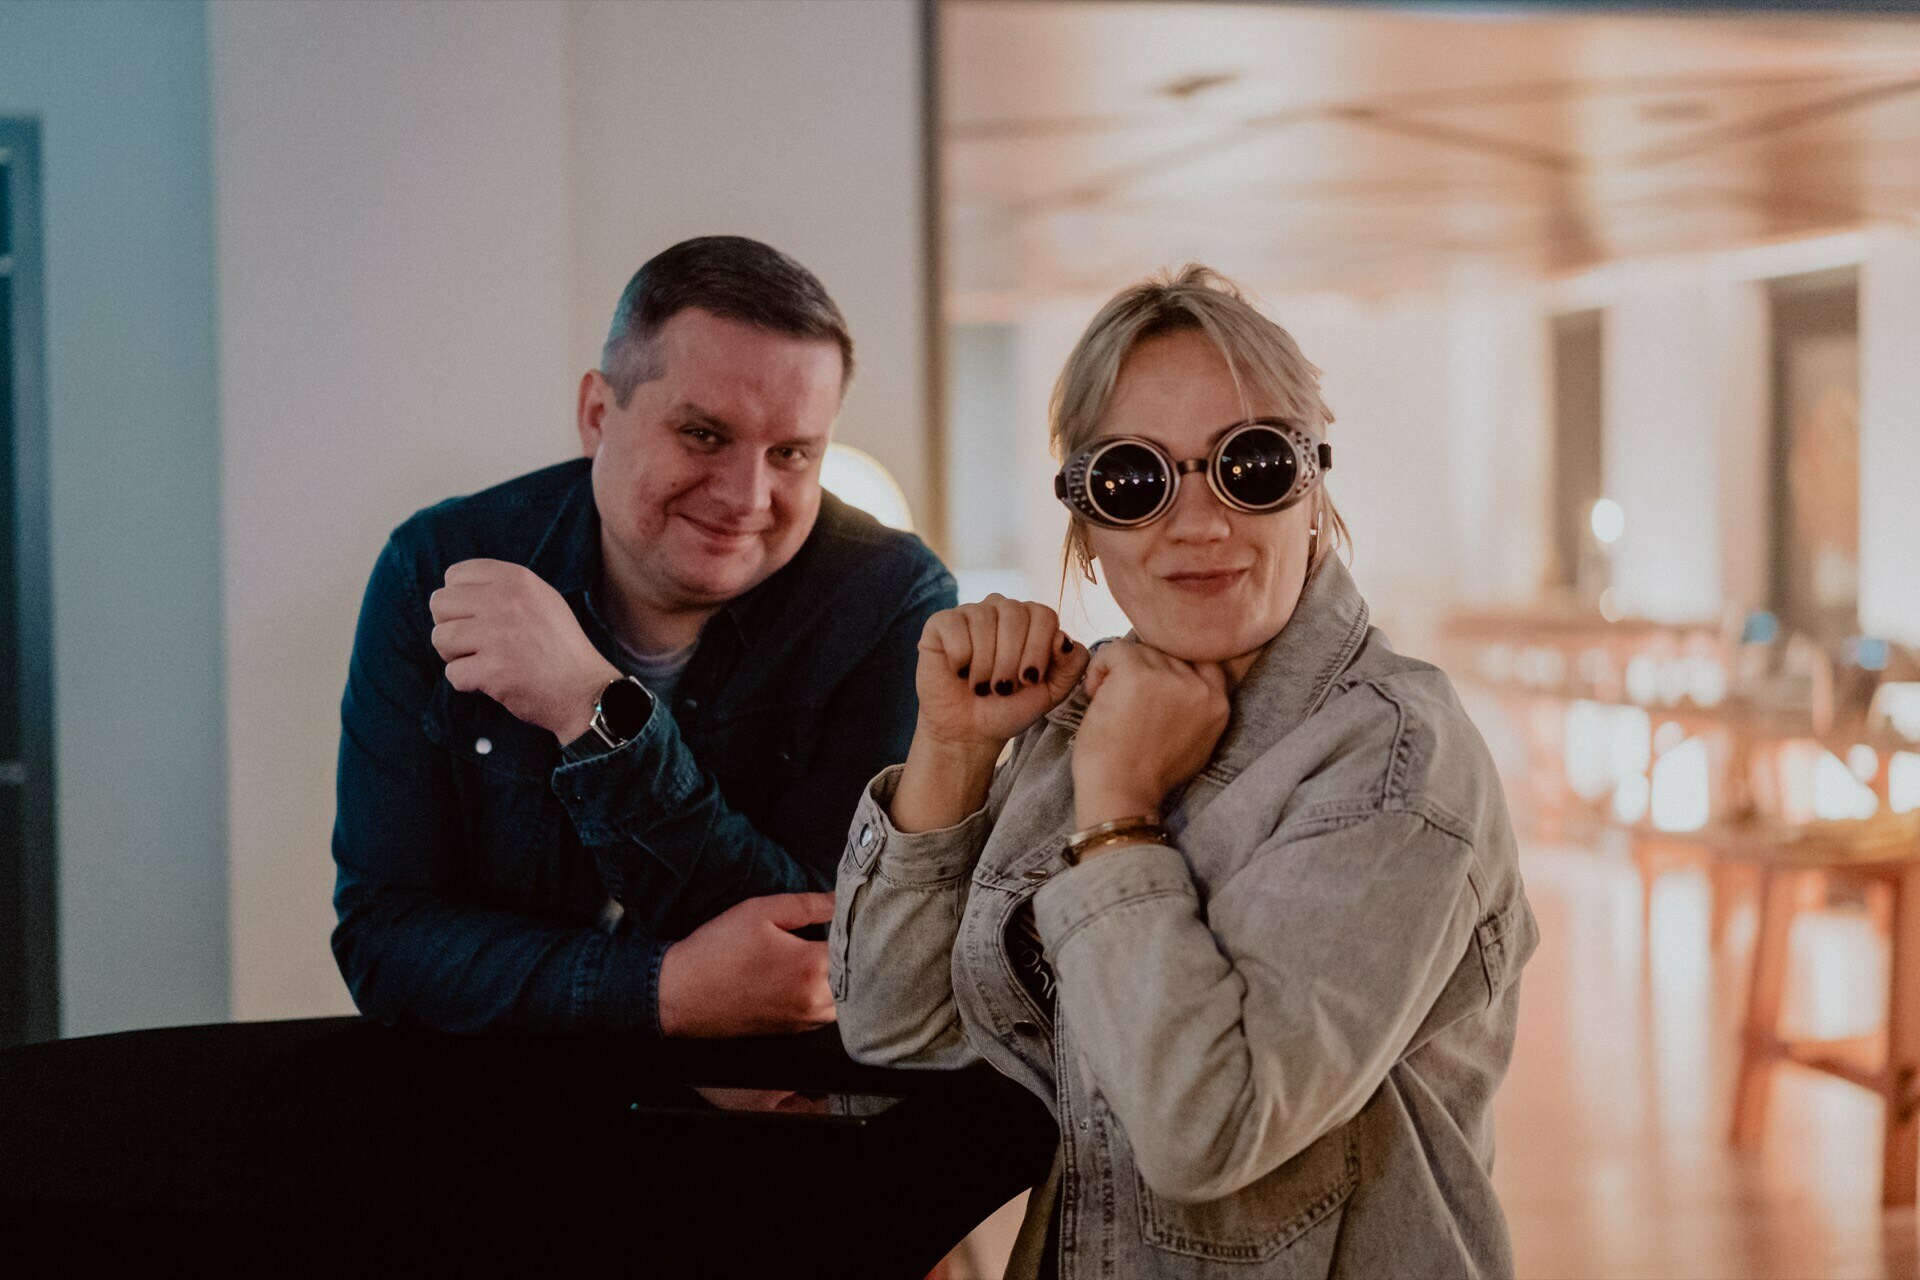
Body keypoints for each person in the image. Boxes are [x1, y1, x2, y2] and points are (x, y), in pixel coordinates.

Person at [831, 266, 1538, 1278]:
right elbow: (896, 1030)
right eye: (1136, 478)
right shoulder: (1077, 715)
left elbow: (1209, 1127)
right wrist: (952, 750)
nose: (1200, 523)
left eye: (1250, 465)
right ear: (1085, 520)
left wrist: (1117, 816)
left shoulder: (1395, 756)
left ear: (1312, 489)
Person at [332, 236, 954, 1038]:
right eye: (703, 435)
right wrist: (663, 993)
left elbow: (822, 951)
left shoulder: (888, 599)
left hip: (767, 1125)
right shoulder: (439, 566)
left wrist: (593, 708)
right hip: (491, 1117)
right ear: (598, 414)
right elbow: (385, 943)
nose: (746, 495)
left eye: (792, 453)